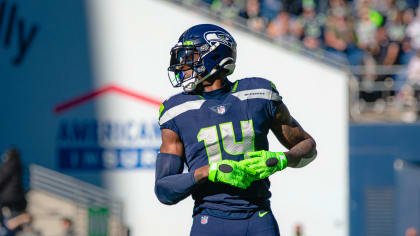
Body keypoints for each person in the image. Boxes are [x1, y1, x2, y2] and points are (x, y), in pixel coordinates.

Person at [155, 24, 317, 236]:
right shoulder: (176, 110)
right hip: (210, 219)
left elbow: (308, 147)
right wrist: (207, 172)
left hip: (258, 216)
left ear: (213, 55)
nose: (182, 65)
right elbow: (164, 190)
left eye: (190, 56)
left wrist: (281, 159)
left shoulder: (259, 94)